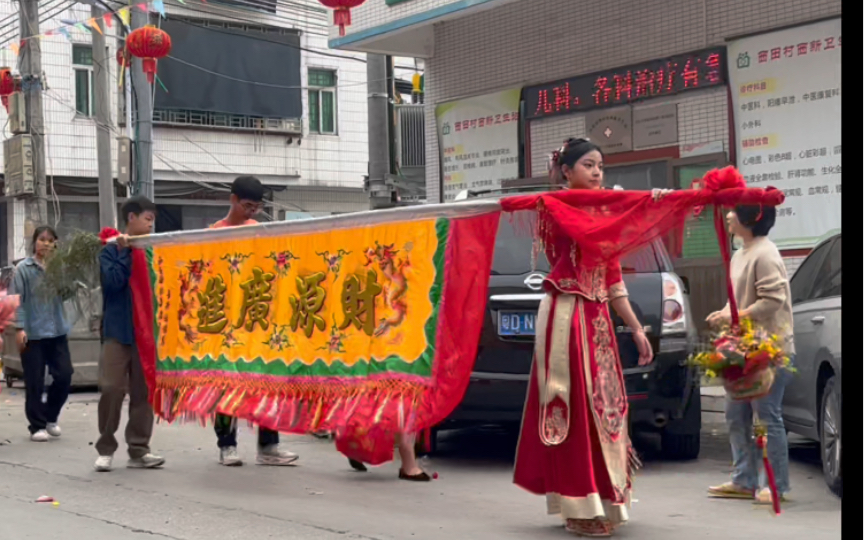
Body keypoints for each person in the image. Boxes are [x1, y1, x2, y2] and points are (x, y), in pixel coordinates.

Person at [513, 138, 656, 538]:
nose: (597, 173)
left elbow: (613, 281)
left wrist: (636, 328)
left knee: (607, 405)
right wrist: (628, 209)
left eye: (601, 167)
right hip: (567, 314)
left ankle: (606, 501)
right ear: (567, 171)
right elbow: (579, 239)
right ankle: (577, 504)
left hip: (597, 320)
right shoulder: (557, 208)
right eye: (589, 166)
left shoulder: (604, 213)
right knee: (571, 406)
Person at [707, 204, 794, 505]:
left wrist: (733, 316)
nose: (728, 216)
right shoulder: (741, 252)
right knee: (736, 415)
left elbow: (772, 301)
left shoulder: (765, 253)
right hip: (743, 349)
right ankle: (743, 480)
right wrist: (723, 313)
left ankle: (775, 484)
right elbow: (739, 300)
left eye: (733, 212)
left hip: (768, 349)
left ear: (750, 219)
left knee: (766, 418)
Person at [211, 176, 299, 467]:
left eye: (257, 207)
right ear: (232, 200)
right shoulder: (213, 234)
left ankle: (268, 446)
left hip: (258, 318)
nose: (252, 212)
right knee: (227, 382)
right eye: (248, 205)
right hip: (226, 322)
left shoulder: (261, 232)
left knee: (267, 380)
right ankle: (227, 445)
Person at [95, 196, 165, 472]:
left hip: (146, 333)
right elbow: (112, 284)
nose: (151, 225)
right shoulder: (110, 251)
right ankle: (105, 448)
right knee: (111, 388)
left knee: (143, 393)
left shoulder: (152, 251)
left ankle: (139, 449)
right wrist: (124, 252)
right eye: (147, 219)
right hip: (117, 331)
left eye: (153, 220)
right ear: (131, 218)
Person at [11, 226, 73, 442]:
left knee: (65, 375)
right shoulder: (23, 269)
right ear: (34, 242)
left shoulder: (59, 268)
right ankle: (37, 426)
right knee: (34, 381)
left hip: (57, 331)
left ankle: (50, 417)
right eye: (41, 239)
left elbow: (66, 294)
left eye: (50, 240)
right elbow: (16, 300)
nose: (45, 244)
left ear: (55, 243)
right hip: (33, 333)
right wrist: (19, 329)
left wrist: (71, 276)